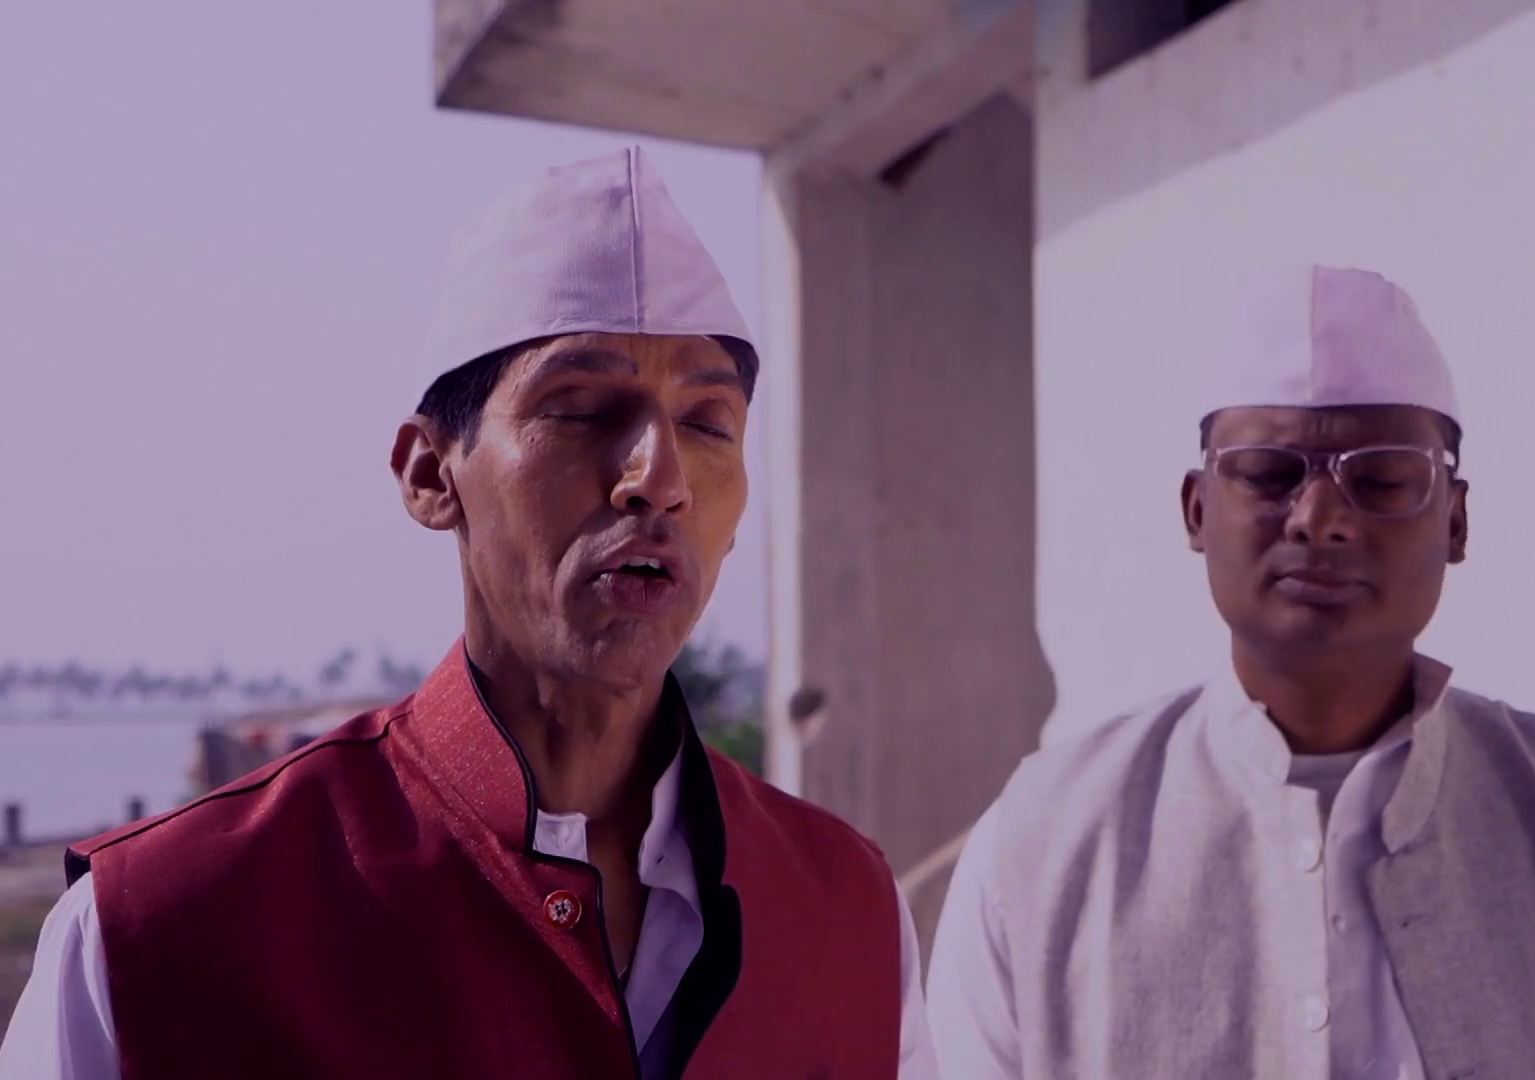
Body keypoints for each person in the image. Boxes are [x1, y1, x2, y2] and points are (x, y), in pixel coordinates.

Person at [0, 147, 939, 1080]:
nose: (658, 479)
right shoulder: (153, 930)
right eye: (579, 408)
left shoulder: (849, 914)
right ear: (429, 474)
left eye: (706, 424)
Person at [924, 265, 1535, 1079]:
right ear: (1197, 510)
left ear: (1456, 522)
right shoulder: (1043, 844)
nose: (1319, 519)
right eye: (1267, 475)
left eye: (1382, 479)